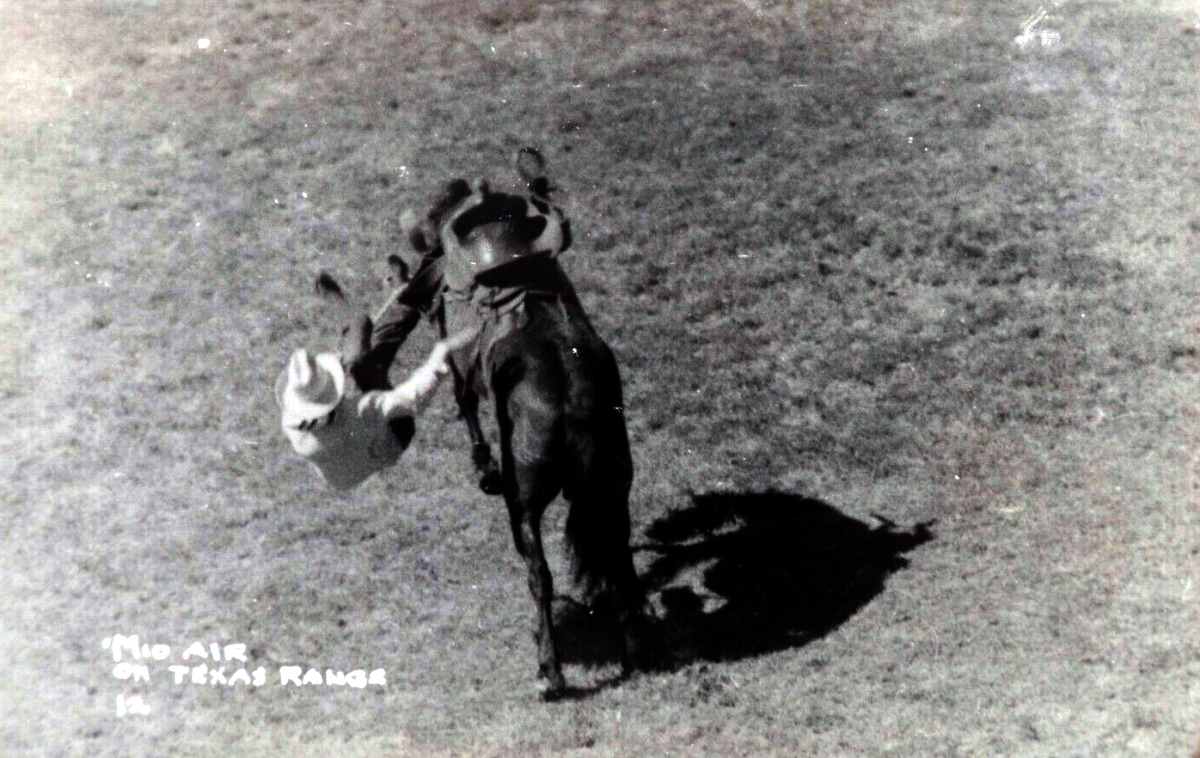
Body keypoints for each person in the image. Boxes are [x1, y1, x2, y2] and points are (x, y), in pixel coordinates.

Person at [275, 319, 479, 491]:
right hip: (389, 444)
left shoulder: (290, 423)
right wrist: (441, 350)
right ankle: (403, 312)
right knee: (366, 369)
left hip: (344, 478)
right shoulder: (365, 409)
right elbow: (413, 395)